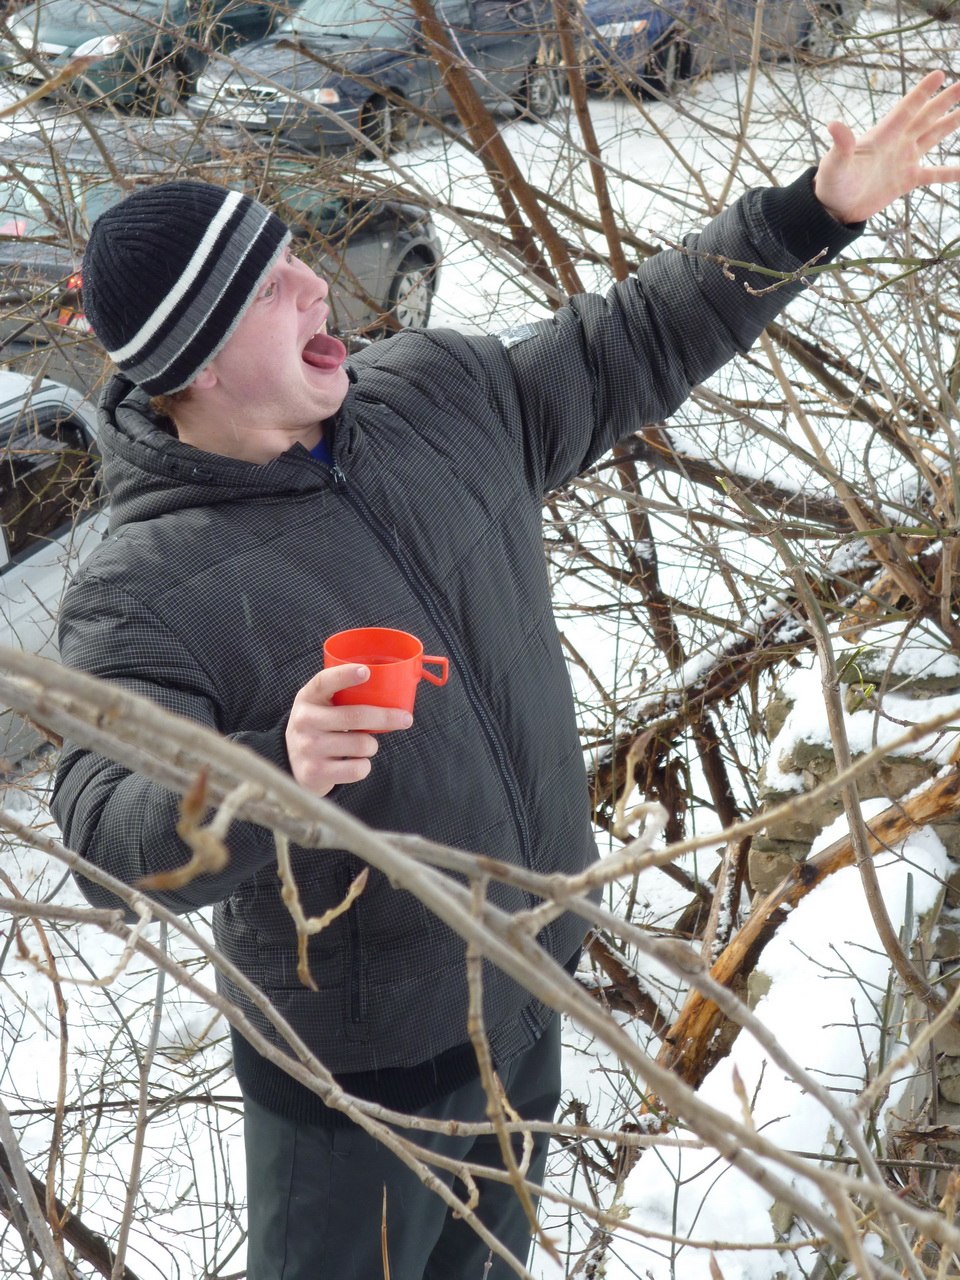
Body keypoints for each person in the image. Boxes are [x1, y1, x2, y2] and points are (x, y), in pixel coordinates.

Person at [51, 72, 960, 1279]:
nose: (319, 279)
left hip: (532, 990)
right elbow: (99, 834)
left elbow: (636, 336)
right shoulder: (142, 583)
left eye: (293, 255)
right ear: (200, 363)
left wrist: (815, 213)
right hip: (360, 1088)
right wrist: (264, 779)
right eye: (272, 286)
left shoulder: (436, 393)